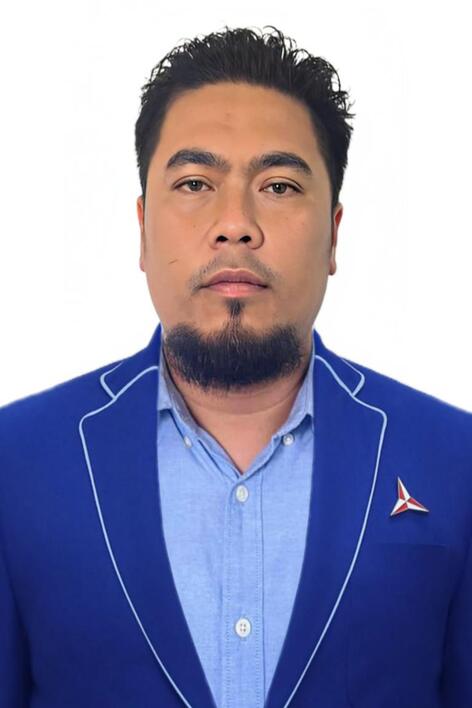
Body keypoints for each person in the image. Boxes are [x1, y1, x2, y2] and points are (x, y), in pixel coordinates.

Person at [0, 24, 470, 708]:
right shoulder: (15, 462)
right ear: (142, 228)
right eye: (195, 182)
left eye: (278, 186)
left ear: (334, 235)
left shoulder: (455, 461)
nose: (236, 224)